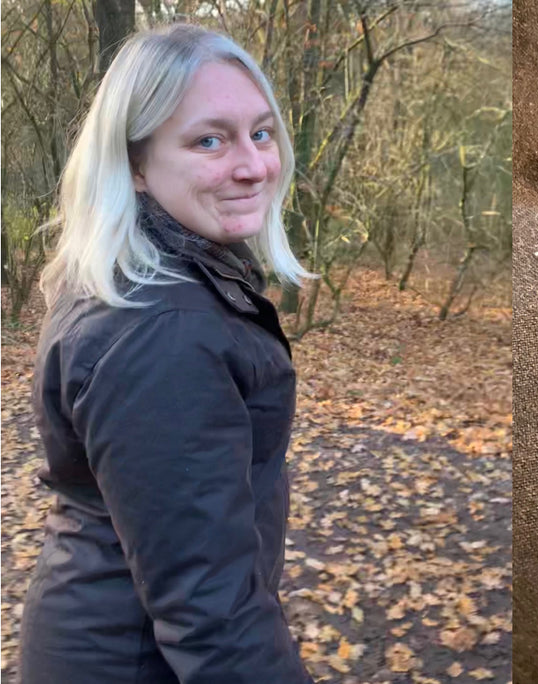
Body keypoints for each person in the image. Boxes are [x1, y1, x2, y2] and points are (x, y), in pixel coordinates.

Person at [20, 24, 316, 684]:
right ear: (134, 163)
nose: (253, 164)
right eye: (209, 139)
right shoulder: (159, 331)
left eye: (260, 132)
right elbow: (211, 612)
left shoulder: (160, 277)